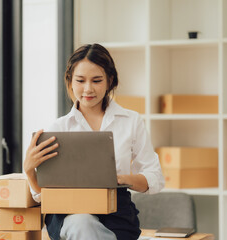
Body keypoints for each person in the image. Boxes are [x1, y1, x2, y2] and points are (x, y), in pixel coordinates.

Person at [23, 43, 165, 240]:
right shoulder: (58, 128)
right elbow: (44, 197)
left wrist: (123, 179)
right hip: (68, 213)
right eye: (80, 80)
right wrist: (30, 171)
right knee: (82, 223)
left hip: (117, 213)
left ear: (110, 80)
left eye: (97, 80)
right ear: (70, 81)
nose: (88, 89)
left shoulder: (131, 121)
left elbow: (155, 178)